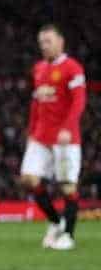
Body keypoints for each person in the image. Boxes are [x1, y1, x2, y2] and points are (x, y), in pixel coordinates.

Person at [20, 24, 86, 251]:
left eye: (48, 41)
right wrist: (31, 133)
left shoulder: (73, 68)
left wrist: (68, 127)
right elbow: (36, 104)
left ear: (61, 41)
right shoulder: (38, 69)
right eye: (41, 43)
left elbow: (78, 101)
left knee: (68, 186)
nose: (44, 46)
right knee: (29, 179)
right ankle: (56, 221)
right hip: (40, 137)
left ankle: (68, 236)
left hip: (65, 138)